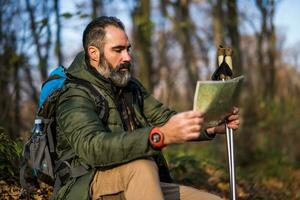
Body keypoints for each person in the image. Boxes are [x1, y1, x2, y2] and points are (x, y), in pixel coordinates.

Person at [54, 16, 240, 200]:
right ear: (94, 53)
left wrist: (210, 124)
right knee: (142, 165)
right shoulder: (74, 95)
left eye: (128, 49)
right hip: (87, 185)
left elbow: (165, 118)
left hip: (138, 176)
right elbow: (93, 148)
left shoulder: (130, 86)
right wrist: (158, 137)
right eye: (118, 50)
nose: (127, 57)